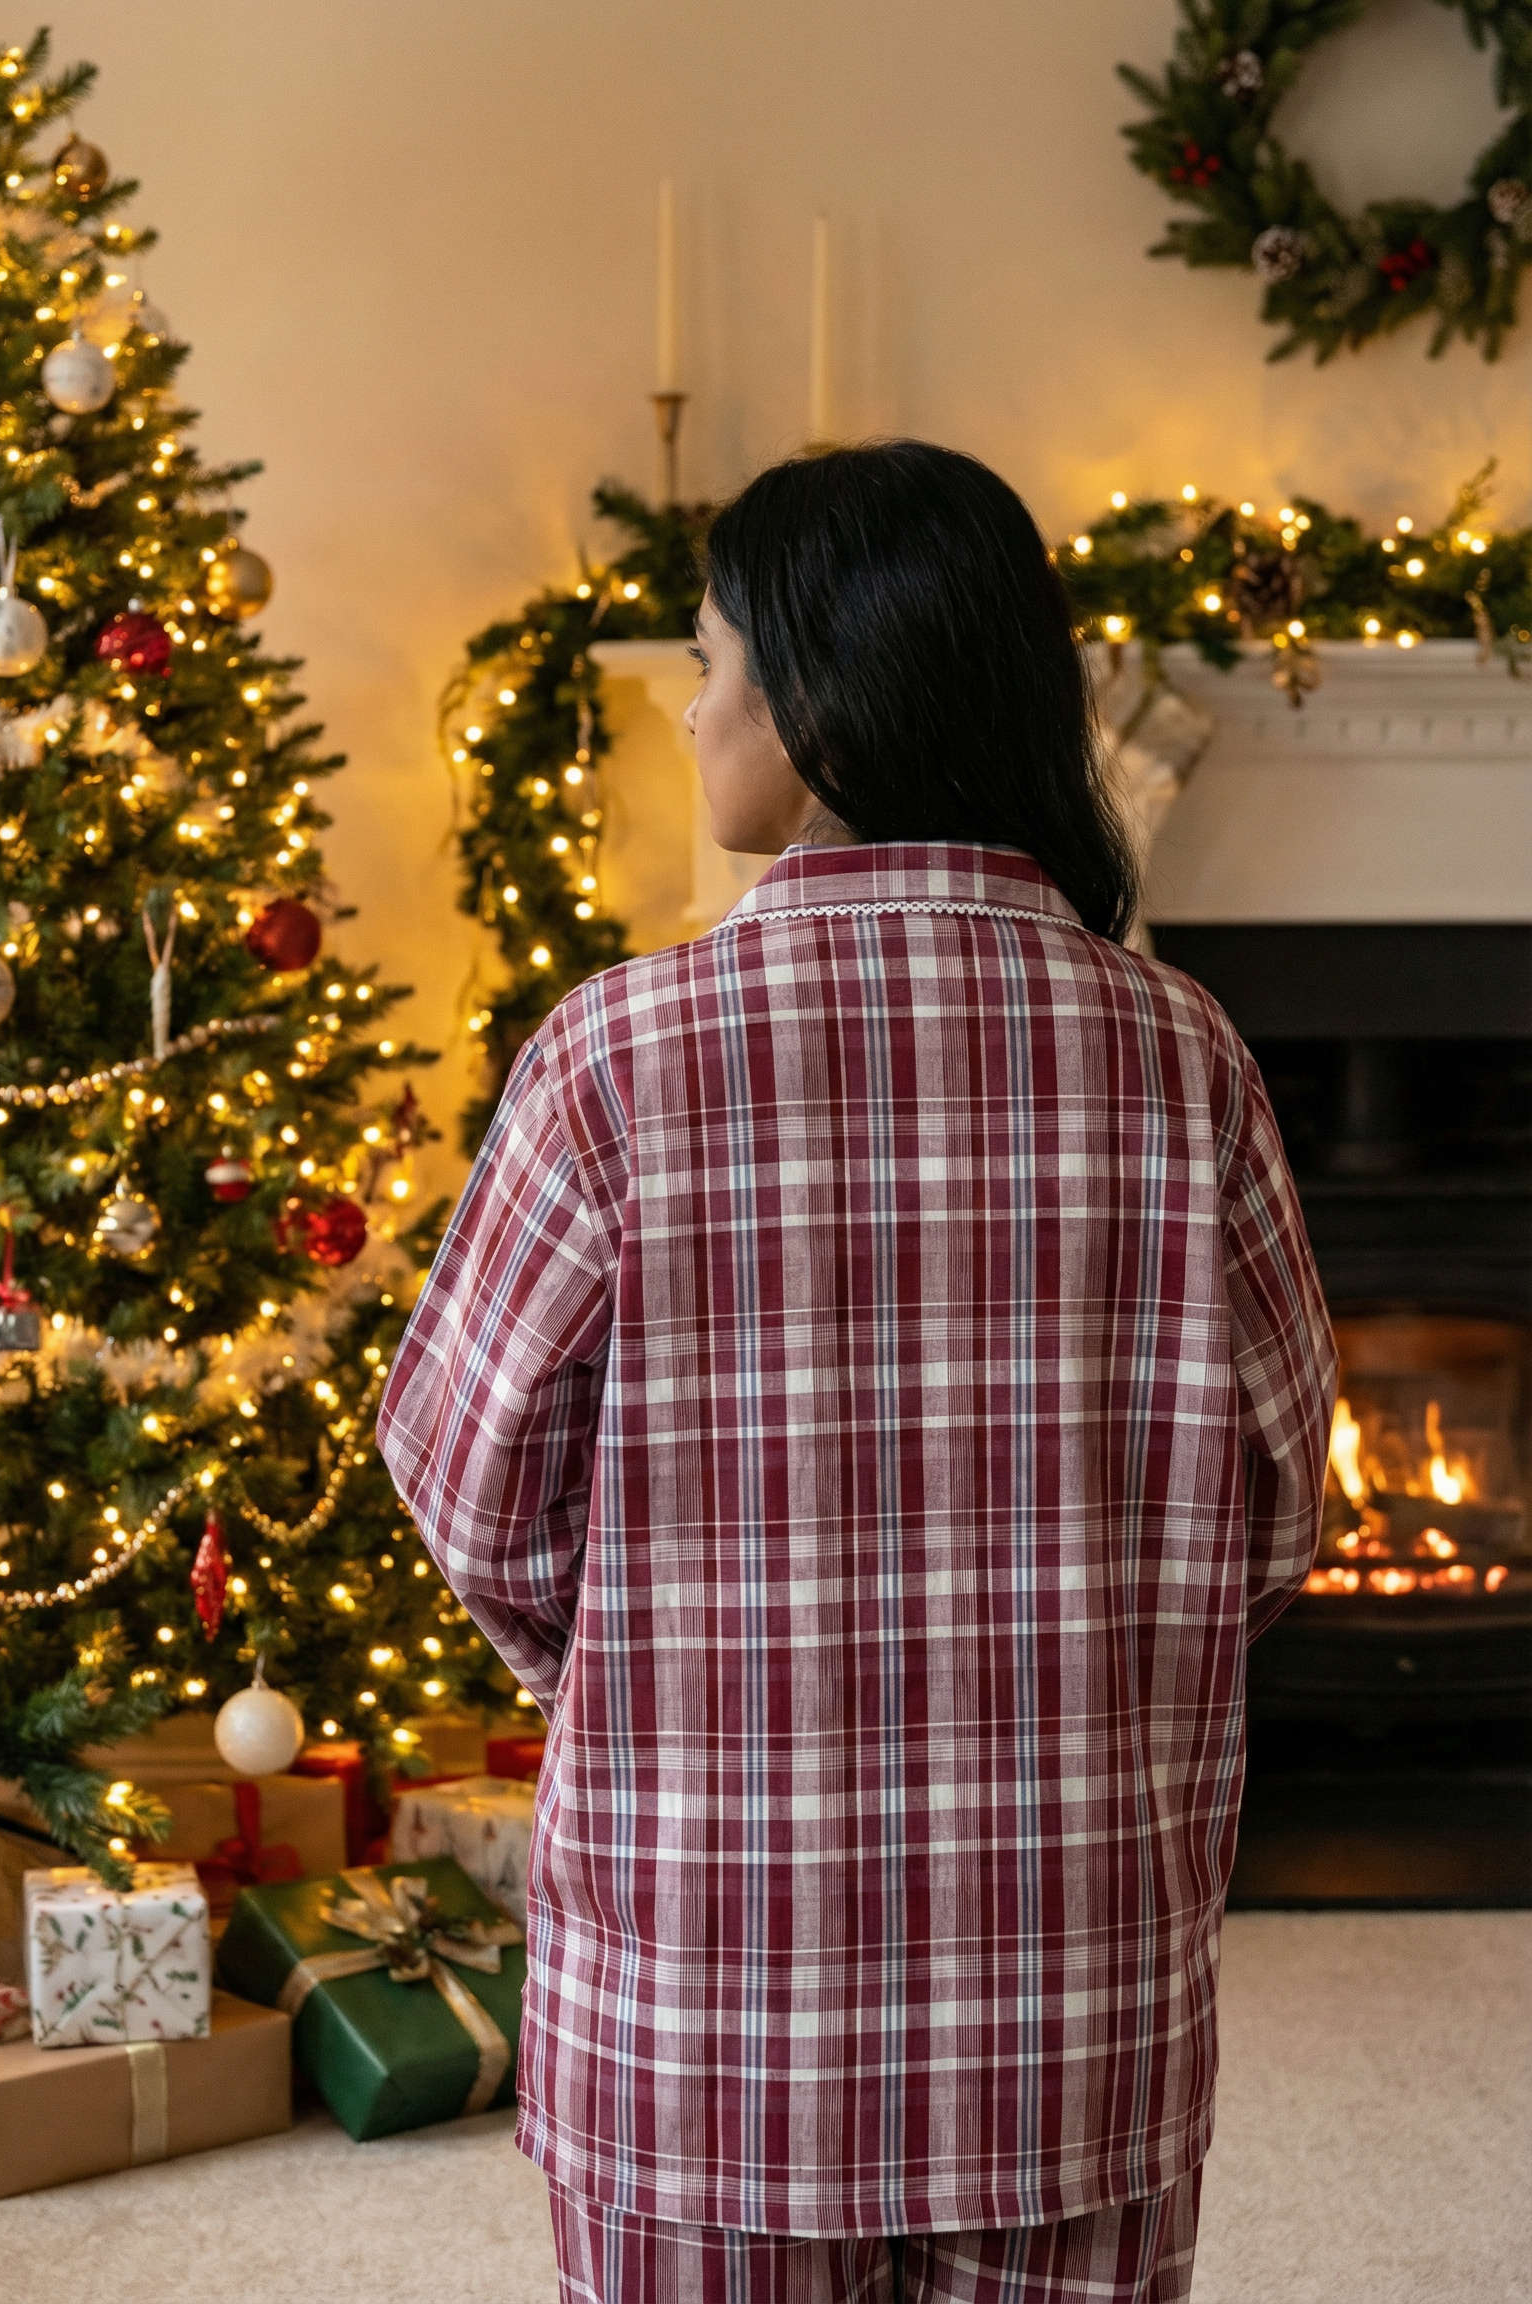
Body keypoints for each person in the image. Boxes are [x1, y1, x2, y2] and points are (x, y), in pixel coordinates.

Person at [376, 441, 1337, 2304]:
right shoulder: (1180, 1055)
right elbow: (1282, 1504)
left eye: (714, 660)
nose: (688, 701)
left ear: (823, 699)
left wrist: (659, 1678)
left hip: (705, 2048)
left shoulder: (612, 1058)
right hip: (1076, 2032)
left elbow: (465, 1482)